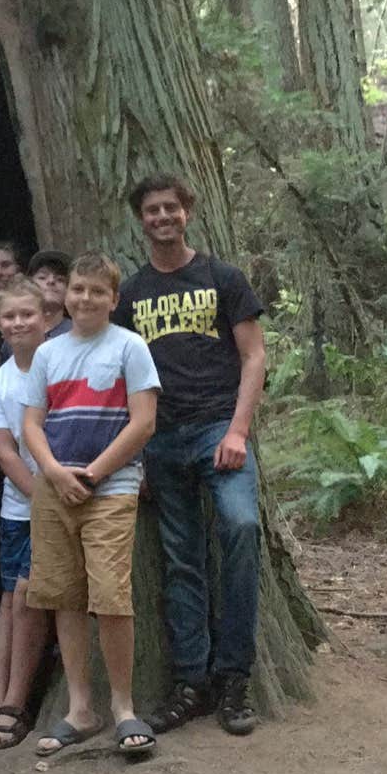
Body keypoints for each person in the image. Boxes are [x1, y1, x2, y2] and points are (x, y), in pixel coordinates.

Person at [115, 173, 266, 738]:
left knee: (240, 528)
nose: (162, 217)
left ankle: (234, 676)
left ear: (188, 212)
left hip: (218, 432)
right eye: (152, 210)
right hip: (160, 438)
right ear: (142, 220)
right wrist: (136, 453)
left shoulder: (222, 278)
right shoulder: (130, 294)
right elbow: (121, 376)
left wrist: (238, 431)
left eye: (171, 208)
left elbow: (254, 357)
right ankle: (190, 682)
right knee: (181, 560)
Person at [20, 250, 159, 763]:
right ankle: (81, 707)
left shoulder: (129, 347)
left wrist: (94, 473)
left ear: (114, 300)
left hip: (112, 488)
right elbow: (32, 423)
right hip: (54, 488)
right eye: (78, 289)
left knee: (110, 594)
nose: (85, 298)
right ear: (67, 293)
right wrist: (55, 473)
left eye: (97, 292)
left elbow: (143, 422)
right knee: (63, 594)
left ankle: (123, 706)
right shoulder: (50, 353)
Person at [0, 274, 55, 748]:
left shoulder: (60, 366)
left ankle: (16, 703)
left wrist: (53, 500)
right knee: (8, 601)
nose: (19, 323)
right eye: (10, 316)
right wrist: (39, 499)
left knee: (27, 597)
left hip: (58, 503)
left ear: (45, 318)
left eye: (27, 314)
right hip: (18, 507)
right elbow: (3, 450)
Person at [26, 250, 70, 339]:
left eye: (60, 279)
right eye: (42, 277)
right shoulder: (17, 332)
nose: (51, 281)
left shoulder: (79, 332)